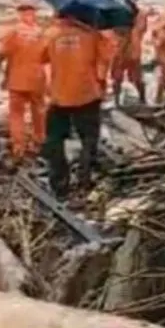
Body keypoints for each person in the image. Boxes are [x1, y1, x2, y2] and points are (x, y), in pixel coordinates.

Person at [39, 12, 115, 196]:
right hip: (86, 94)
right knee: (89, 138)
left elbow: (41, 57)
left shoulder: (51, 34)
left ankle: (59, 183)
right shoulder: (92, 35)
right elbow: (107, 56)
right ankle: (85, 179)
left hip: (59, 96)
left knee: (54, 139)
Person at [0, 1, 47, 159]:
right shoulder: (41, 33)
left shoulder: (13, 32)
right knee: (39, 111)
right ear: (34, 14)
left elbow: (1, 53)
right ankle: (40, 141)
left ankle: (19, 147)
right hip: (37, 79)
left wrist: (1, 69)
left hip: (17, 79)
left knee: (16, 114)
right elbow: (47, 57)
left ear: (20, 14)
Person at [110, 0, 150, 104]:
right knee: (130, 78)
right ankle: (141, 100)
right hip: (129, 51)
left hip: (124, 50)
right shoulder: (139, 14)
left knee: (121, 78)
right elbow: (142, 29)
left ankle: (118, 101)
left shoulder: (115, 13)